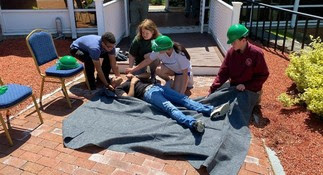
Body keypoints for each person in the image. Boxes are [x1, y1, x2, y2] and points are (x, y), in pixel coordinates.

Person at [115, 73, 222, 133]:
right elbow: (129, 98)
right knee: (170, 108)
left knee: (184, 99)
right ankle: (193, 123)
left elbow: (148, 75)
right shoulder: (119, 88)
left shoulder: (130, 79)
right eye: (112, 79)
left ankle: (211, 110)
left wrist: (136, 76)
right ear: (112, 85)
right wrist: (133, 84)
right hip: (148, 94)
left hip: (157, 87)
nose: (115, 77)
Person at [208, 24, 269, 97]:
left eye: (234, 42)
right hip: (235, 87)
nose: (231, 44)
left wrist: (246, 86)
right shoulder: (231, 52)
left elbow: (263, 75)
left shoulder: (256, 53)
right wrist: (213, 89)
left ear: (243, 40)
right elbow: (223, 73)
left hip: (251, 90)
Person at [126, 35, 194, 94]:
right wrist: (133, 69)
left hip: (182, 73)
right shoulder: (159, 50)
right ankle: (170, 81)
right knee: (158, 70)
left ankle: (186, 82)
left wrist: (182, 92)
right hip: (171, 70)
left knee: (179, 92)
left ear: (166, 49)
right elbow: (147, 61)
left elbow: (186, 73)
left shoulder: (180, 54)